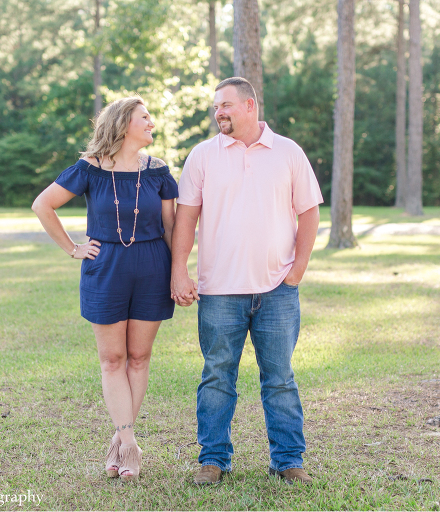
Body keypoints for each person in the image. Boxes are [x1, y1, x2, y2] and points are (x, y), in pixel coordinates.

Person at [170, 77, 323, 485]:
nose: (218, 112)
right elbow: (186, 217)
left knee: (280, 378)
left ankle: (289, 460)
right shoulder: (202, 156)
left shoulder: (288, 152)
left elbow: (309, 213)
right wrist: (179, 270)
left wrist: (297, 271)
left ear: (250, 106)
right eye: (216, 107)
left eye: (226, 105)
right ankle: (213, 460)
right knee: (217, 376)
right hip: (219, 290)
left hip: (277, 291)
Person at [32, 97, 178, 481]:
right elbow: (43, 205)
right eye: (144, 117)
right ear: (123, 123)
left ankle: (120, 438)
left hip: (151, 268)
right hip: (105, 268)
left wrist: (179, 271)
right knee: (112, 359)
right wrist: (73, 248)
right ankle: (129, 442)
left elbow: (171, 230)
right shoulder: (89, 169)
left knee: (139, 357)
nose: (151, 122)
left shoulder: (159, 171)